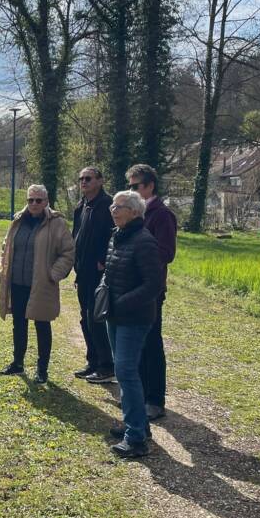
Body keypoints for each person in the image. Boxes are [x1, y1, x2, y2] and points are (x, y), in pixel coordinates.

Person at [99, 190, 164, 459]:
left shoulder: (144, 241)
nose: (113, 210)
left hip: (134, 318)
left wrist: (122, 303)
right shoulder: (118, 235)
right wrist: (104, 291)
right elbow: (112, 271)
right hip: (115, 315)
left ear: (135, 212)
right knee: (124, 370)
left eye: (119, 206)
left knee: (126, 372)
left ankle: (136, 438)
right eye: (113, 206)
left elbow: (154, 284)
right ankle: (138, 424)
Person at [0, 184, 75, 383]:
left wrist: (54, 274)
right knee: (18, 324)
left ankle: (42, 370)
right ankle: (17, 363)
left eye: (38, 200)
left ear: (46, 202)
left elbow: (68, 252)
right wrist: (4, 266)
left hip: (41, 284)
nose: (34, 203)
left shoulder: (57, 223)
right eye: (30, 200)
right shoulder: (18, 220)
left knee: (42, 324)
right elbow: (6, 245)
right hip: (17, 282)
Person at [126, 164, 177, 420]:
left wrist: (138, 254)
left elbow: (167, 253)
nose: (131, 190)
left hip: (150, 289)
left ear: (149, 186)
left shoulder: (162, 215)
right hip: (130, 288)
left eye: (135, 186)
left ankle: (155, 399)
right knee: (135, 344)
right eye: (129, 186)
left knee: (152, 344)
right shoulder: (134, 213)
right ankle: (140, 395)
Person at [71, 167, 115, 383]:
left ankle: (106, 366)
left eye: (88, 178)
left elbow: (114, 236)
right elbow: (75, 236)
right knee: (85, 317)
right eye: (81, 178)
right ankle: (93, 360)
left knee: (95, 318)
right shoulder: (81, 206)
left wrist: (103, 261)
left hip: (99, 272)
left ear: (100, 180)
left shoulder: (109, 205)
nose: (84, 182)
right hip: (83, 271)